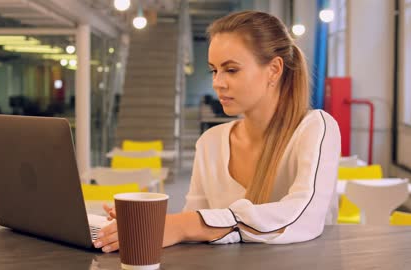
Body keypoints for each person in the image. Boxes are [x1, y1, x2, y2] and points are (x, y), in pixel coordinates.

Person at [94, 10, 341, 253]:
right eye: (214, 70)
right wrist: (149, 225)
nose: (217, 82)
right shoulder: (210, 142)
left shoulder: (315, 127)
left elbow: (305, 216)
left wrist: (184, 225)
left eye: (231, 70)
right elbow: (195, 236)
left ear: (274, 70)